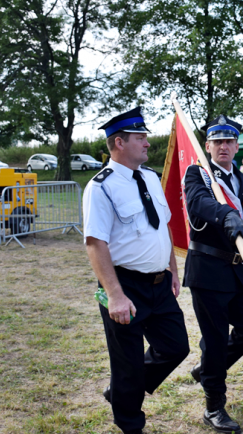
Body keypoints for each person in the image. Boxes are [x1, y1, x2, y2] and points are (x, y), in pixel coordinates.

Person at [83, 107, 190, 434]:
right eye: (139, 137)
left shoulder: (149, 178)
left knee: (176, 347)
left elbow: (163, 228)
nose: (147, 142)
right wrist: (115, 295)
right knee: (127, 362)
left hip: (159, 283)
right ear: (119, 142)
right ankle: (130, 423)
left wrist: (171, 268)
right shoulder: (100, 187)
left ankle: (120, 393)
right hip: (124, 286)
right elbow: (95, 243)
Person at [183, 115, 243, 434]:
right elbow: (197, 202)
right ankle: (213, 406)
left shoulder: (241, 180)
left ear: (237, 145)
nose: (224, 147)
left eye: (229, 141)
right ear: (207, 146)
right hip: (208, 268)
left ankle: (207, 370)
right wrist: (225, 213)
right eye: (217, 142)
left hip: (238, 267)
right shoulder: (197, 173)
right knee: (214, 340)